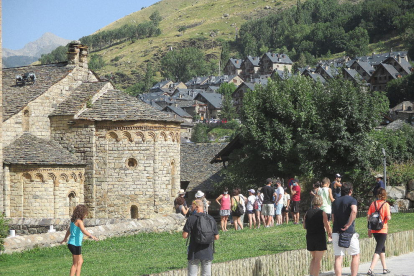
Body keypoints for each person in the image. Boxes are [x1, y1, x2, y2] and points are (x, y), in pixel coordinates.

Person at [182, 199, 219, 276]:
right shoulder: (211, 218)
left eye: (192, 207)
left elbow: (185, 236)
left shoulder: (191, 219)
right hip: (207, 250)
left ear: (197, 207)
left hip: (194, 251)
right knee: (206, 274)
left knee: (192, 274)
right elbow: (216, 237)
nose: (191, 209)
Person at [60, 205, 99, 276]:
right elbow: (83, 230)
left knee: (80, 261)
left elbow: (69, 230)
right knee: (75, 263)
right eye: (85, 214)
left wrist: (65, 238)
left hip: (74, 244)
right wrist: (91, 236)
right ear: (81, 213)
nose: (85, 215)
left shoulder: (73, 221)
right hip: (74, 244)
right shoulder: (79, 221)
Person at [331, 182, 360, 276]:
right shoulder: (352, 200)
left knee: (338, 257)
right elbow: (354, 211)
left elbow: (333, 217)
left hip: (336, 231)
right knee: (355, 255)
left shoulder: (335, 202)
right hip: (349, 232)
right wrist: (348, 224)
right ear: (350, 191)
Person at [303, 195, 332, 276]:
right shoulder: (322, 213)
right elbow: (327, 225)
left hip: (310, 236)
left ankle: (312, 274)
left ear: (313, 202)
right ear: (321, 203)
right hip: (319, 237)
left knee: (314, 258)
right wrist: (329, 233)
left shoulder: (307, 213)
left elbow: (304, 226)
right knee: (318, 260)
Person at [366, 188, 391, 275]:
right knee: (378, 249)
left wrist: (369, 229)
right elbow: (388, 217)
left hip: (374, 229)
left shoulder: (373, 204)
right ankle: (371, 269)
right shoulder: (386, 204)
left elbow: (368, 216)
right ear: (385, 195)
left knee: (382, 248)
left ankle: (385, 268)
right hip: (382, 229)